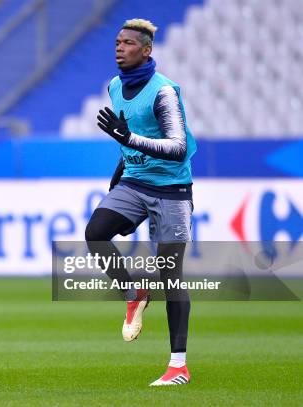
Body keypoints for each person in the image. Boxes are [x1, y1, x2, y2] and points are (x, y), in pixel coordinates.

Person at [85, 19, 196, 386]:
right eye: (117, 42)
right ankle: (133, 292)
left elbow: (177, 148)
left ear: (146, 50)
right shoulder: (115, 86)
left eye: (128, 43)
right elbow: (127, 137)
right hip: (134, 183)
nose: (119, 47)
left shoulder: (164, 92)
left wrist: (129, 140)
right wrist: (118, 177)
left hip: (171, 190)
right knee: (96, 232)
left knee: (171, 274)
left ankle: (178, 366)